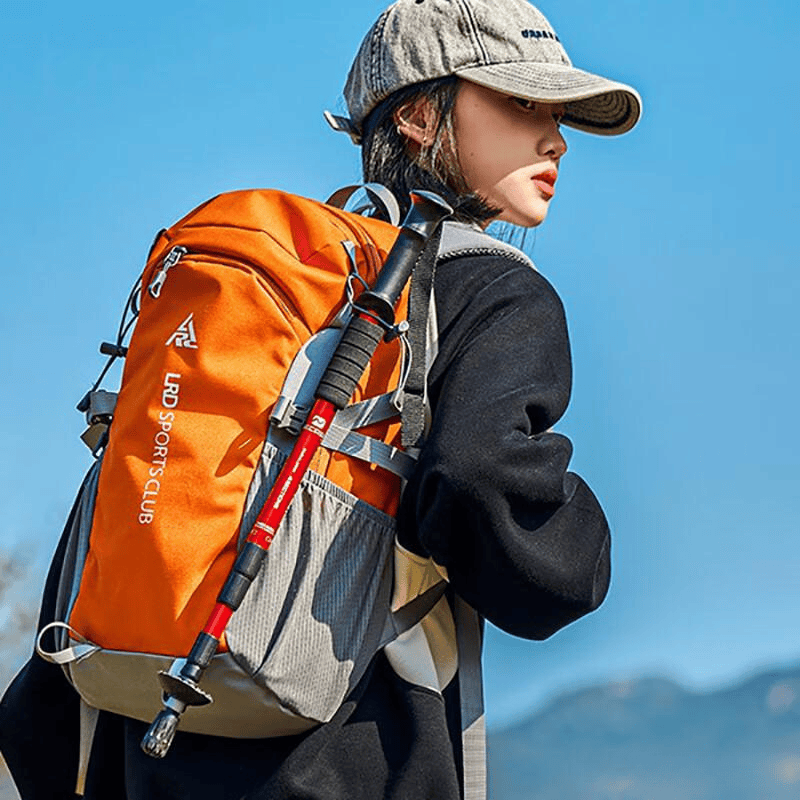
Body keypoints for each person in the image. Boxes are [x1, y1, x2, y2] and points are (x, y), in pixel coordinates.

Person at [0, 0, 640, 797]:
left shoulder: (274, 286)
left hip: (143, 751)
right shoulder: (489, 290)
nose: (555, 139)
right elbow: (482, 480)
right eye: (522, 103)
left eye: (560, 115)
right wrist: (579, 552)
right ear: (416, 116)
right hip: (355, 756)